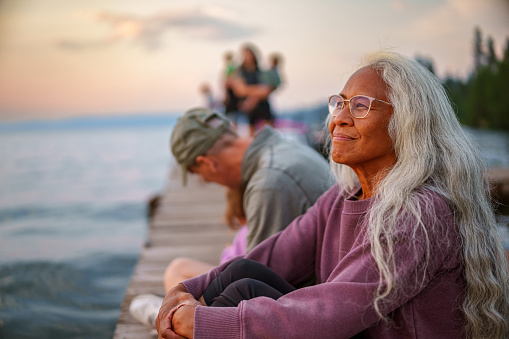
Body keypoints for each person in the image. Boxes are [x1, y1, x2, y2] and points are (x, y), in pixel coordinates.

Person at [156, 51, 509, 338]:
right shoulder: (344, 198)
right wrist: (189, 287)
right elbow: (275, 254)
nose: (339, 117)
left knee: (235, 301)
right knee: (244, 274)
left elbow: (332, 309)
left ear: (407, 122)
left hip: (344, 326)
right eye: (339, 103)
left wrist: (203, 322)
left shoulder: (419, 211)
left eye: (359, 106)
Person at [130, 107, 332, 328]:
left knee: (180, 274)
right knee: (183, 272)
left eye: (200, 175)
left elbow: (255, 279)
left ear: (207, 163)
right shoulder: (286, 148)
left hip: (310, 304)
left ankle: (171, 320)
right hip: (321, 287)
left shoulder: (270, 183)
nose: (208, 181)